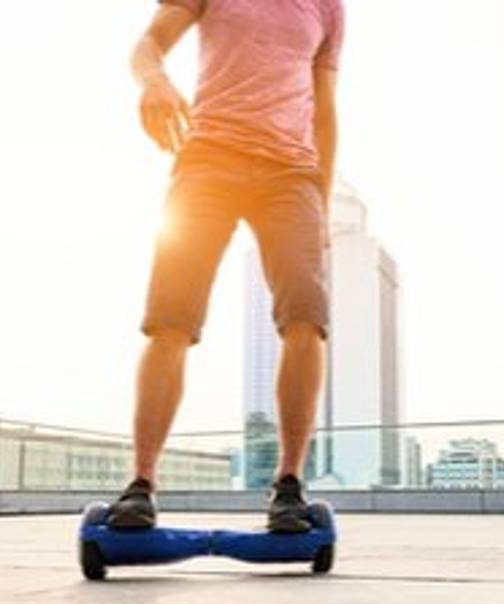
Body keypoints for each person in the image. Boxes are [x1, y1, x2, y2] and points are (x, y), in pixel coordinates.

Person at [109, 0, 344, 533]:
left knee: (306, 317)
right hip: (208, 161)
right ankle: (141, 484)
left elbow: (325, 112)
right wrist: (155, 82)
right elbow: (147, 46)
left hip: (292, 174)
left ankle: (288, 487)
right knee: (170, 318)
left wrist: (321, 205)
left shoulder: (328, 7)